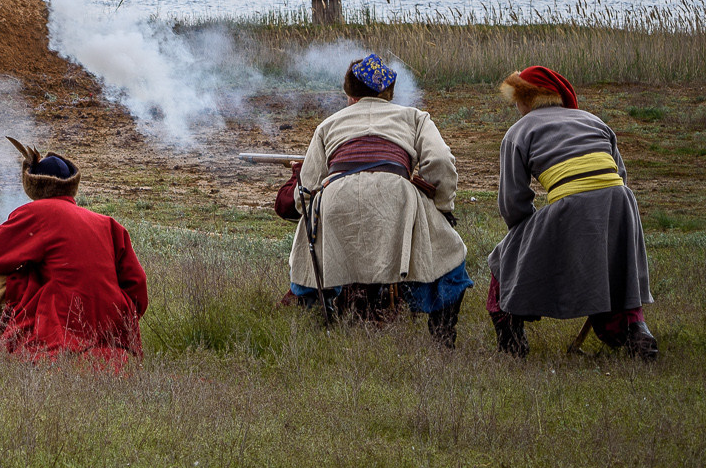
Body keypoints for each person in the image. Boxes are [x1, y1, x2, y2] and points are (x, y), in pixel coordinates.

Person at [277, 52, 470, 344]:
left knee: (306, 261)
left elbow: (306, 190)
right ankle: (442, 339)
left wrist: (307, 203)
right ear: (388, 93)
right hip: (398, 196)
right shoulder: (415, 117)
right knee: (451, 260)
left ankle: (322, 319)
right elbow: (441, 162)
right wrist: (441, 207)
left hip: (336, 196)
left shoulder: (328, 125)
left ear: (350, 93)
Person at [486, 66, 655, 359]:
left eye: (517, 99)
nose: (516, 106)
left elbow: (513, 204)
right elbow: (621, 176)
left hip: (571, 203)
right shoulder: (594, 121)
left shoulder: (518, 131)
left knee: (503, 259)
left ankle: (512, 341)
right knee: (613, 270)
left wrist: (530, 238)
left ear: (527, 98)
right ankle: (636, 332)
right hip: (622, 203)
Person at [0, 142, 149, 363]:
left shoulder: (36, 212)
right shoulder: (109, 224)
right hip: (115, 334)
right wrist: (119, 321)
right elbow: (137, 286)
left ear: (34, 185)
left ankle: (0, 341)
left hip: (58, 328)